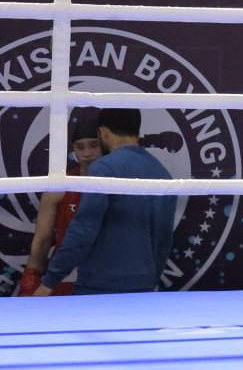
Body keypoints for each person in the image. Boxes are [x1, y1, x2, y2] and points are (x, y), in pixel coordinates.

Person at [32, 108, 176, 296]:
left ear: (103, 133)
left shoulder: (104, 168)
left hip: (99, 284)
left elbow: (84, 229)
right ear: (137, 131)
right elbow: (164, 238)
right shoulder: (162, 173)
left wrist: (50, 281)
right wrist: (151, 279)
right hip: (144, 284)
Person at [16, 114, 101, 296]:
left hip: (105, 274)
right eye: (80, 147)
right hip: (65, 274)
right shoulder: (59, 188)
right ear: (73, 150)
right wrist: (30, 280)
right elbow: (42, 239)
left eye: (94, 145)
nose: (87, 153)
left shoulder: (120, 184)